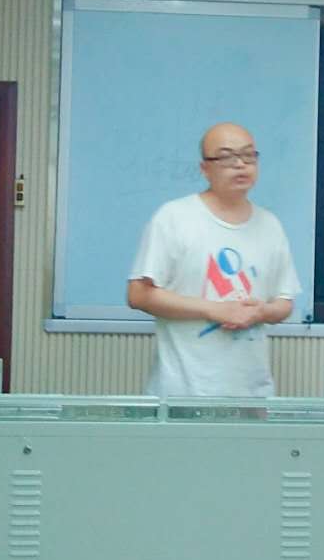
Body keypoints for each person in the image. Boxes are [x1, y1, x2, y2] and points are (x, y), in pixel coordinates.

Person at [127, 121, 301, 397]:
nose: (240, 164)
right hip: (183, 391)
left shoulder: (270, 225)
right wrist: (213, 310)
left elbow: (284, 302)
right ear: (204, 169)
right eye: (227, 157)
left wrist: (261, 312)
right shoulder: (173, 218)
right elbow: (138, 294)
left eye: (248, 155)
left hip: (251, 393)